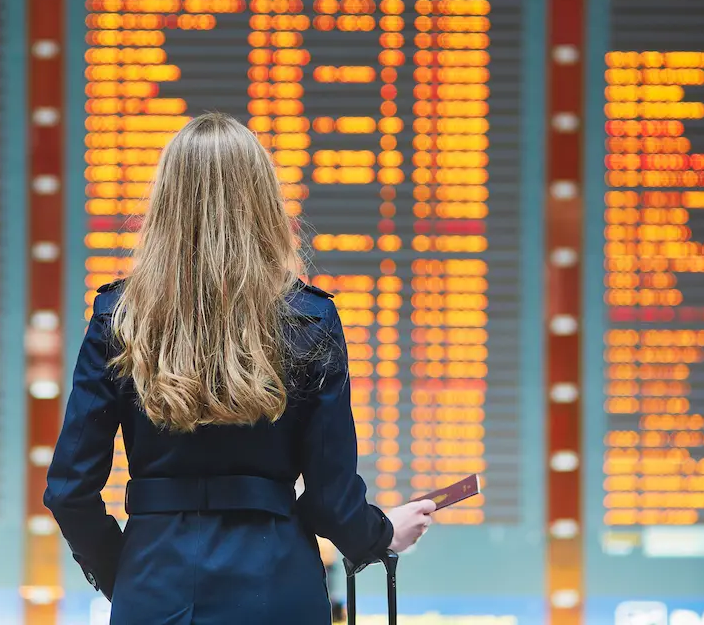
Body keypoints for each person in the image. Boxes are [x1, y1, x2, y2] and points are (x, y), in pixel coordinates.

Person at [43, 112, 436, 624]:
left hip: (153, 586)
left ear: (164, 205)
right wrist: (381, 533)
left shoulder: (120, 317)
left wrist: (128, 576)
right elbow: (329, 496)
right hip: (278, 588)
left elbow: (70, 490)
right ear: (263, 202)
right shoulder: (310, 318)